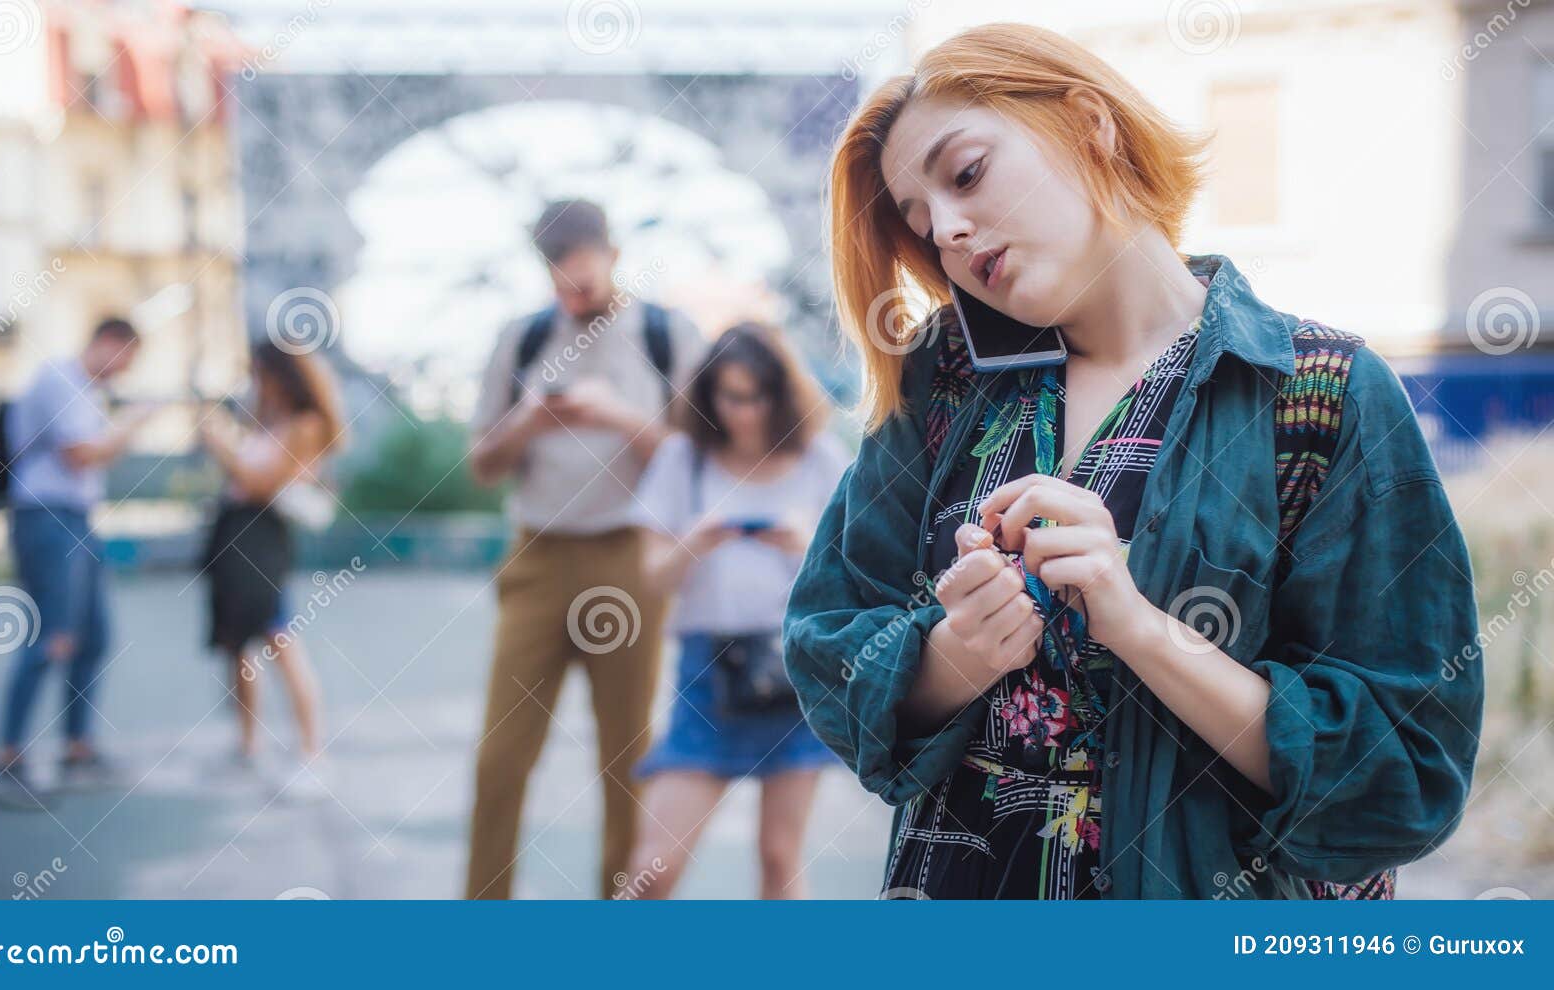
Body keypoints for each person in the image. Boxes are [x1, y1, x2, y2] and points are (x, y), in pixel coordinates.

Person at [783, 23, 1484, 899]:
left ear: (1090, 125)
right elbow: (826, 645)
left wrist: (1140, 627)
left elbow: (1405, 774)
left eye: (965, 175)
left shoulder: (1319, 390)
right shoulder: (946, 383)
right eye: (923, 227)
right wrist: (959, 650)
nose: (951, 233)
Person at [465, 199, 705, 899]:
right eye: (562, 282)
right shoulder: (524, 337)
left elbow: (699, 463)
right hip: (536, 556)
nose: (576, 295)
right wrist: (529, 421)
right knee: (500, 760)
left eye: (587, 280)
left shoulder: (665, 334)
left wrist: (622, 418)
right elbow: (482, 464)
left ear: (615, 256)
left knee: (626, 758)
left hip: (628, 556)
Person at [620, 323, 847, 900]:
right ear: (708, 396)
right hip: (708, 668)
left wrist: (804, 546)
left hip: (794, 665)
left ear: (782, 393)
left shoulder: (820, 457)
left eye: (757, 396)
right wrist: (698, 540)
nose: (744, 412)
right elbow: (651, 577)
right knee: (655, 864)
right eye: (730, 396)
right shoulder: (683, 458)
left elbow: (855, 578)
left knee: (779, 855)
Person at [0, 317, 147, 810]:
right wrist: (134, 423)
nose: (125, 372)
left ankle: (78, 749)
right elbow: (83, 455)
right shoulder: (60, 380)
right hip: (47, 518)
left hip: (76, 520)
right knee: (52, 636)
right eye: (128, 358)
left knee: (92, 636)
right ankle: (7, 759)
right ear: (109, 342)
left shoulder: (84, 389)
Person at [199, 340, 342, 794]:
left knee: (280, 639)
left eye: (263, 373)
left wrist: (219, 443)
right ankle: (248, 746)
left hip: (261, 540)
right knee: (238, 645)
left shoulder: (306, 425)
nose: (258, 382)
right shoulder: (268, 422)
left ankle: (311, 753)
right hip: (234, 534)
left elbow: (260, 483)